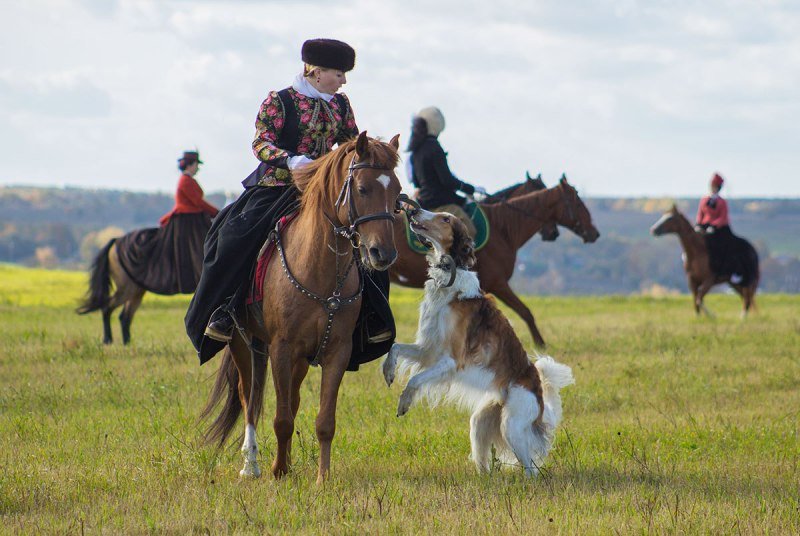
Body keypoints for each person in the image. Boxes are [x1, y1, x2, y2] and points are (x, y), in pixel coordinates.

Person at [185, 38, 396, 368]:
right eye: (339, 73)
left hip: (327, 192)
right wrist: (289, 160)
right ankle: (225, 311)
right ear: (316, 70)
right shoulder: (279, 101)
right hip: (277, 187)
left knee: (366, 240)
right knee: (234, 237)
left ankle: (371, 320)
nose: (343, 81)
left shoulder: (341, 105)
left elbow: (355, 145)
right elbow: (260, 142)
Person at [115, 151, 218, 294]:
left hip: (193, 219)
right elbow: (198, 202)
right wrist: (219, 213)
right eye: (196, 165)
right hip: (186, 222)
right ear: (190, 165)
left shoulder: (189, 180)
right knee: (196, 249)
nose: (198, 168)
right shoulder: (185, 181)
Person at [406, 106, 487, 237]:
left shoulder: (415, 151)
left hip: (424, 204)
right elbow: (447, 181)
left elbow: (416, 182)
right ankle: (451, 258)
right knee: (469, 231)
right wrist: (471, 190)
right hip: (441, 204)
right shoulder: (435, 148)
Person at [695, 172, 743, 283]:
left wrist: (713, 226)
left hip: (720, 229)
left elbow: (723, 217)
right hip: (704, 226)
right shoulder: (704, 200)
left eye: (715, 187)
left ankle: (732, 270)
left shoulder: (722, 202)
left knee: (729, 246)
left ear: (718, 188)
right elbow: (700, 214)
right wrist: (698, 224)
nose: (713, 188)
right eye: (712, 186)